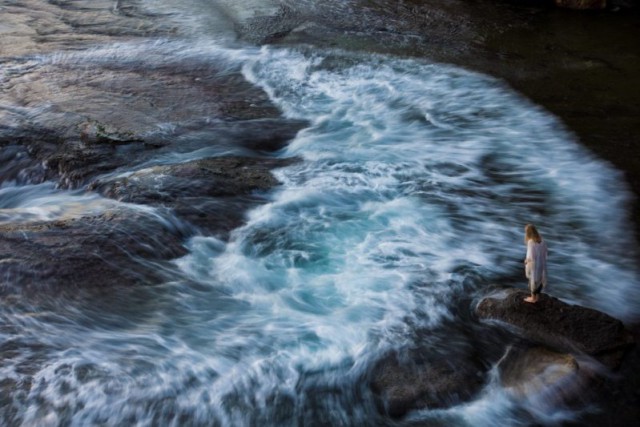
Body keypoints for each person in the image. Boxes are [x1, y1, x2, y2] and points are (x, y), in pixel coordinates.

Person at [523, 224, 547, 303]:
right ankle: (537, 297)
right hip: (541, 263)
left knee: (532, 281)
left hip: (534, 265)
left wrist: (526, 261)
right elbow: (545, 252)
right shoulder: (542, 240)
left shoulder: (531, 242)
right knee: (539, 280)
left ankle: (533, 298)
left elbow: (530, 256)